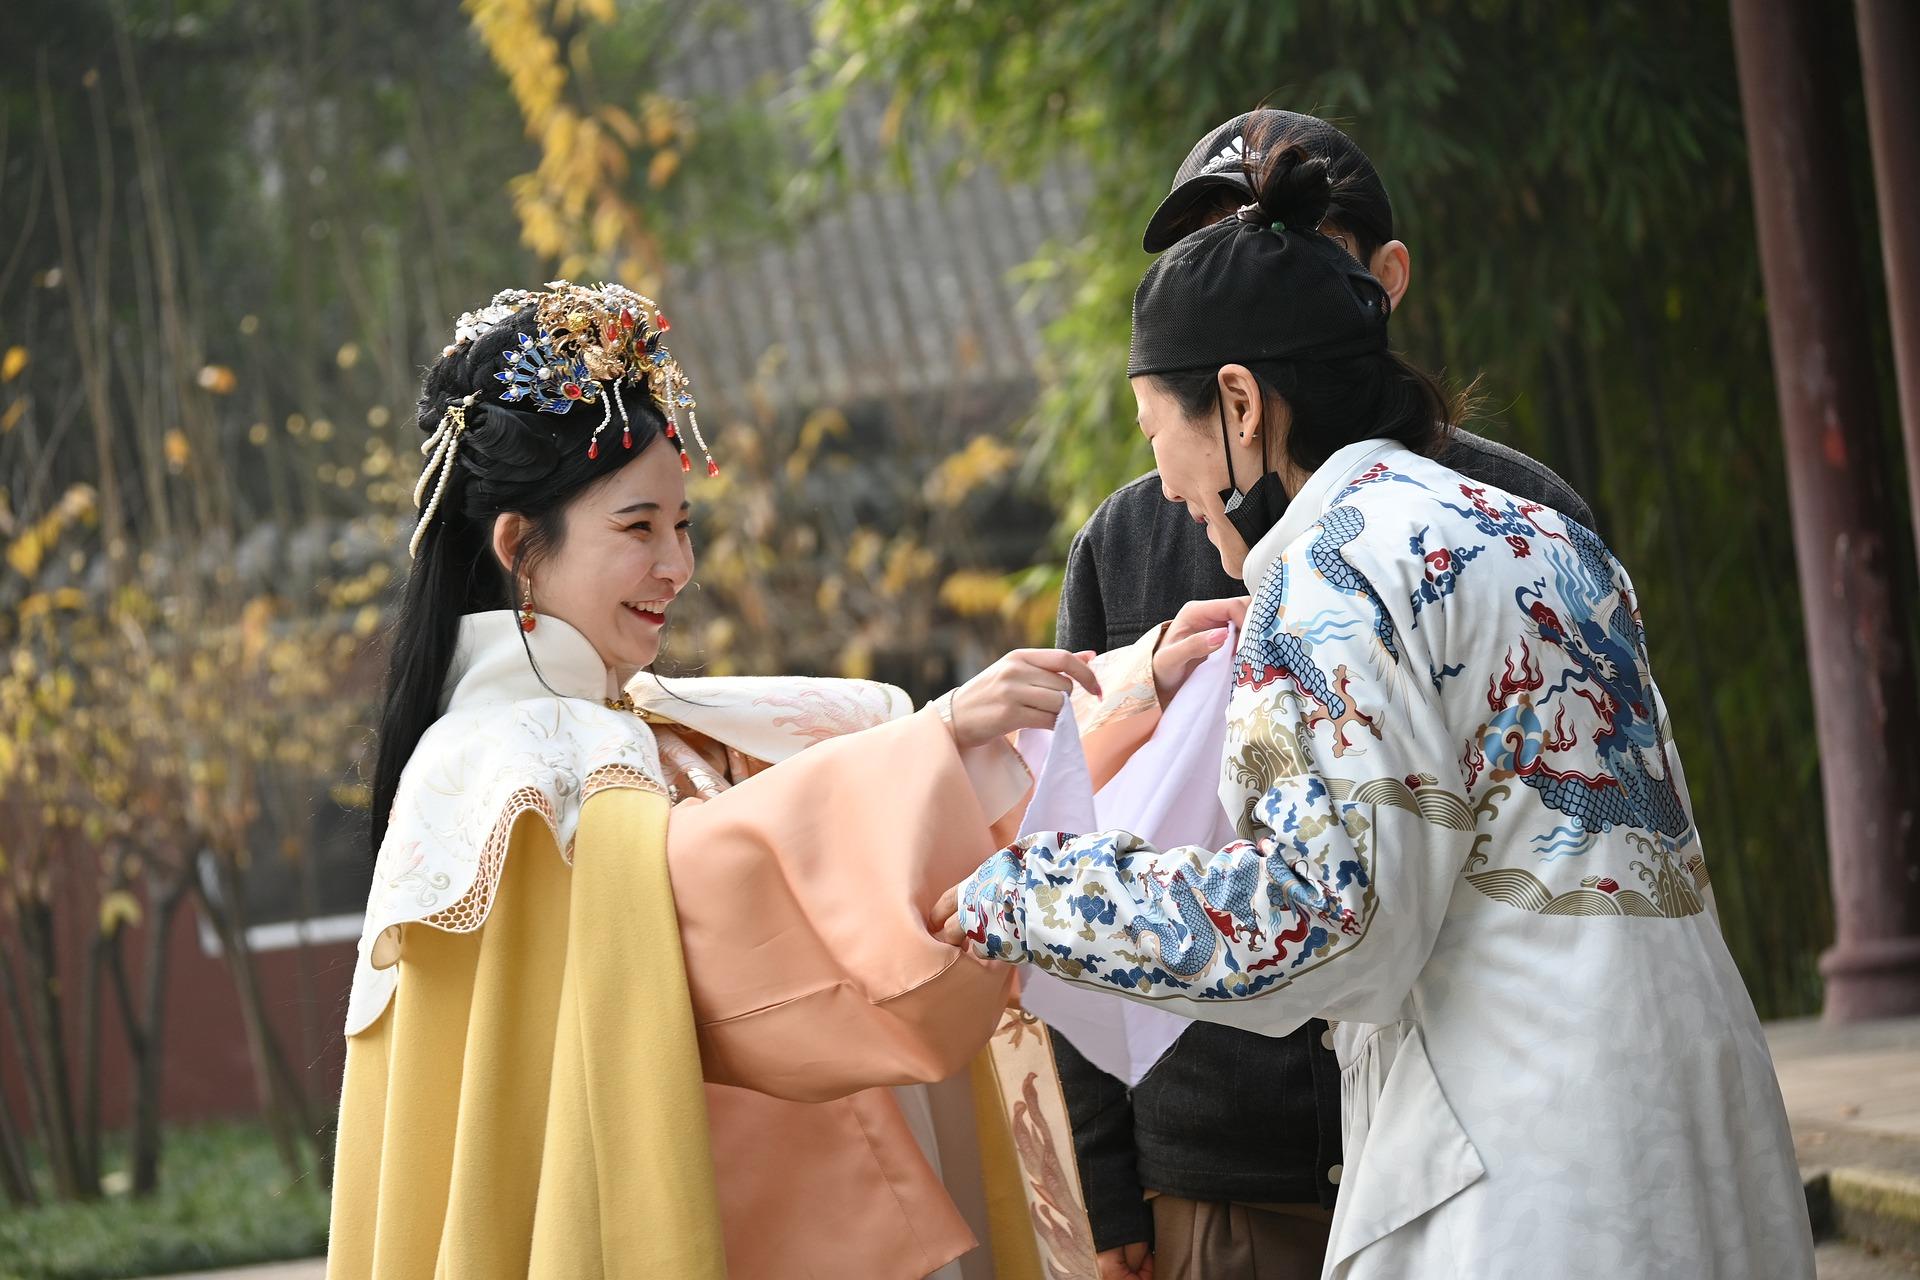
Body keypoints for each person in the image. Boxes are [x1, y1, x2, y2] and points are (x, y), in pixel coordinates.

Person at [940, 139, 1815, 1279]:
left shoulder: (1330, 570)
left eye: (1159, 434)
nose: (1166, 486)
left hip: (1528, 1164)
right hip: (1702, 1123)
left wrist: (1033, 895)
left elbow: (1328, 921)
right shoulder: (1541, 533)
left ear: (1239, 403)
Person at [326, 280, 1235, 1279]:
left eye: (683, 524)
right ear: (518, 549)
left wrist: (1119, 696)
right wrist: (940, 742)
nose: (677, 564)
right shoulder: (505, 769)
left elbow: (848, 779)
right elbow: (718, 892)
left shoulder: (624, 729)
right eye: (637, 527)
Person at [1052, 108, 1597, 1280]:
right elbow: (1074, 805)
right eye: (1211, 257)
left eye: (1281, 248)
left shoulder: (1511, 521)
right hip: (1223, 1163)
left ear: (1378, 282)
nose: (1243, 283)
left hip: (1483, 1129)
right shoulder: (1129, 541)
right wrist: (1106, 1182)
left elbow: (1362, 908)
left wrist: (1015, 897)